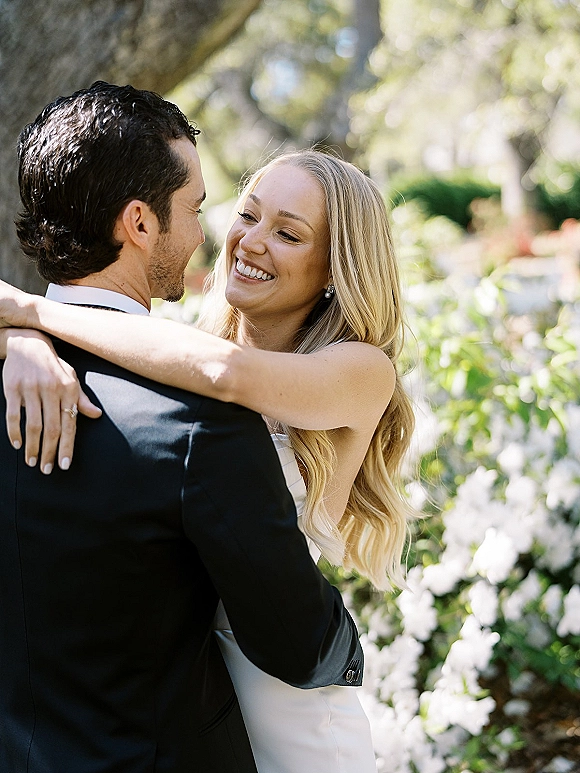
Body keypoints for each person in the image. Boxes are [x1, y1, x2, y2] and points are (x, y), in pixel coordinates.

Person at [0, 149, 415, 771]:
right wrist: (26, 344)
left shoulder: (360, 370)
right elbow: (115, 344)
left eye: (288, 233)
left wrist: (34, 312)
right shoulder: (185, 344)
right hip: (189, 677)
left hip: (286, 693)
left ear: (334, 267)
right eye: (248, 215)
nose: (250, 241)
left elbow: (227, 375)